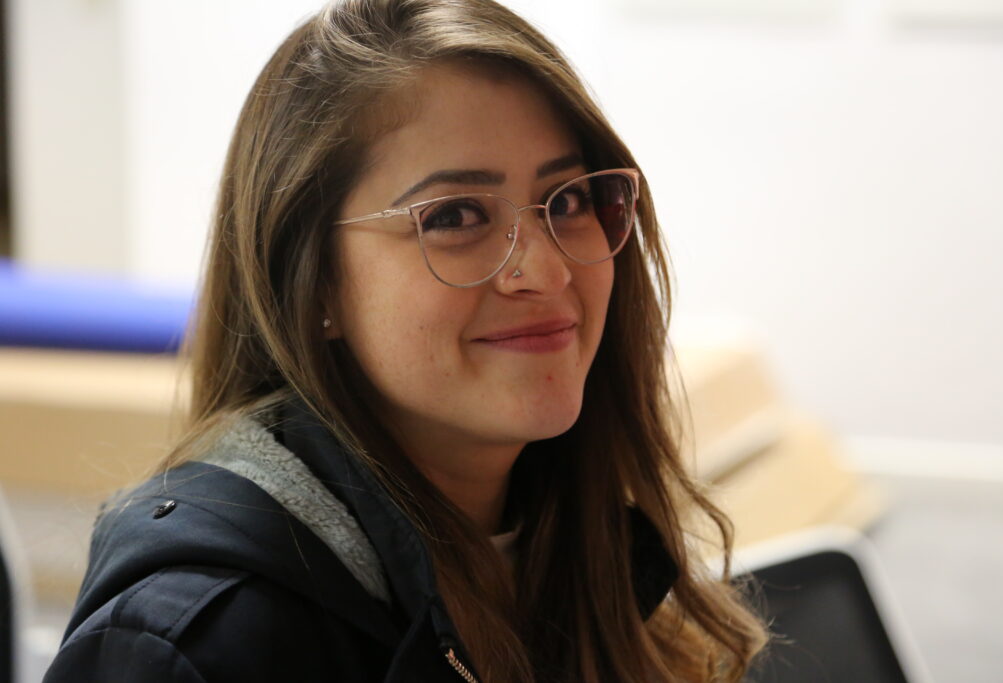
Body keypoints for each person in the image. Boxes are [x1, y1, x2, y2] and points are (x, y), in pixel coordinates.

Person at [44, 1, 765, 681]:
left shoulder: (581, 549)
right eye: (454, 216)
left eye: (568, 200)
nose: (545, 269)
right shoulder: (195, 646)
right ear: (315, 284)